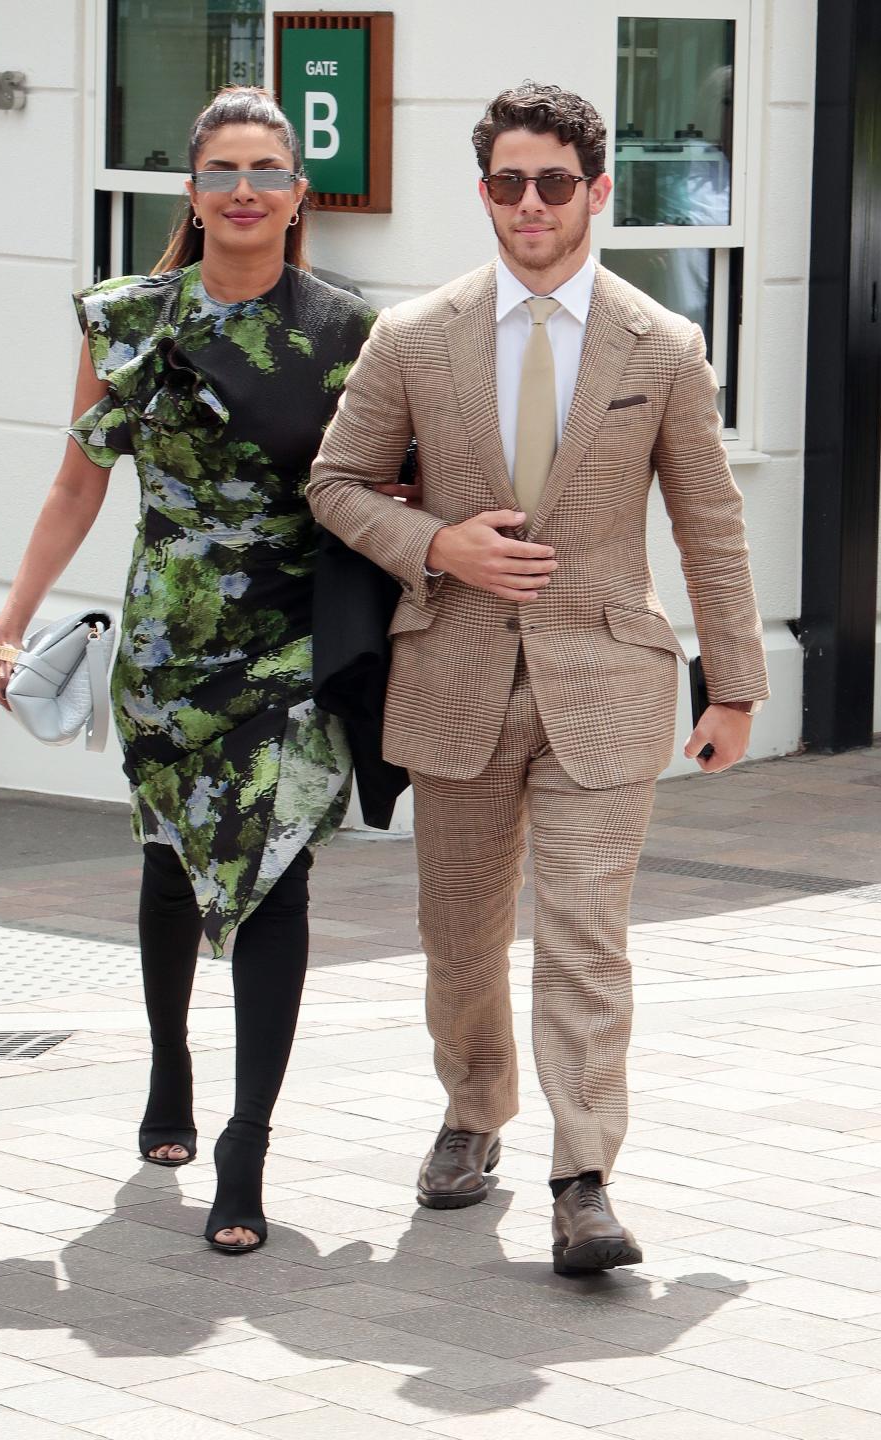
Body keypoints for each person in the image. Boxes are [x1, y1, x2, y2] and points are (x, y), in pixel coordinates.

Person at [307, 82, 767, 1274]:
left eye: (553, 183)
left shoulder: (663, 347)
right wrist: (438, 545)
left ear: (597, 192)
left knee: (584, 933)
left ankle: (585, 1176)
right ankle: (473, 1111)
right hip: (453, 673)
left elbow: (709, 521)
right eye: (508, 183)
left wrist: (734, 686)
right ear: (485, 194)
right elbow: (336, 483)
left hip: (606, 676)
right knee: (460, 934)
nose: (530, 204)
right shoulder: (411, 337)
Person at [0, 86, 377, 1255]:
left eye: (266, 170)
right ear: (191, 196)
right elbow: (76, 484)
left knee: (277, 880)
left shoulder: (349, 330)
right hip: (166, 647)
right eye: (222, 172)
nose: (244, 189)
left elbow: (383, 481)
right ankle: (169, 1068)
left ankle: (247, 1146)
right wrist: (12, 625)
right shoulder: (126, 321)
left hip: (294, 643)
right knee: (168, 871)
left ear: (298, 195)